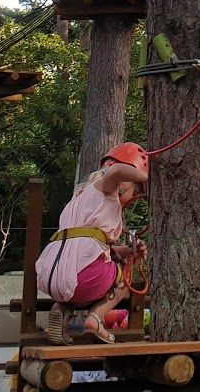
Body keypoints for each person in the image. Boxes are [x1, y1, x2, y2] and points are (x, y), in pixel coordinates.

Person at [36, 143, 150, 343]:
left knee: (82, 281)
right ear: (125, 182)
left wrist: (127, 249)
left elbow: (89, 246)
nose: (134, 197)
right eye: (135, 191)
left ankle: (61, 310)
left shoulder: (80, 198)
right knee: (127, 274)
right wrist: (144, 177)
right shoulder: (107, 189)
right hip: (84, 276)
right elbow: (114, 171)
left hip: (53, 277)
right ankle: (95, 318)